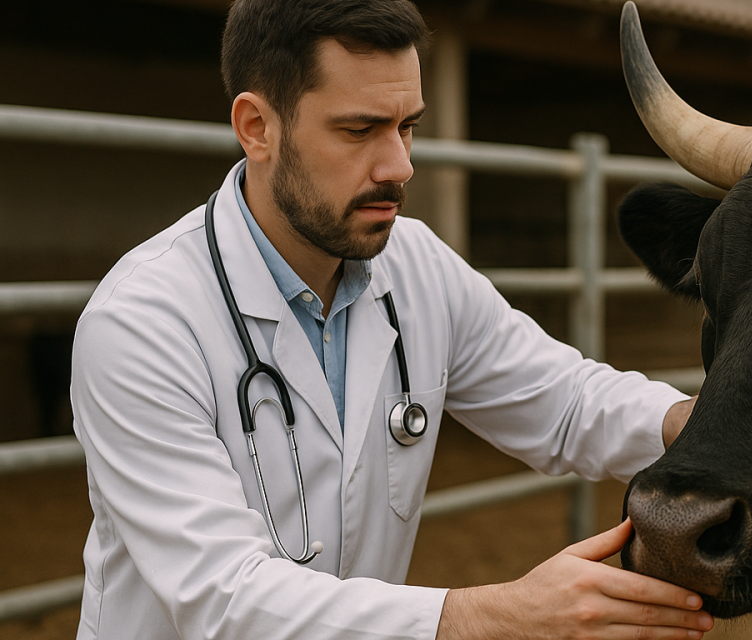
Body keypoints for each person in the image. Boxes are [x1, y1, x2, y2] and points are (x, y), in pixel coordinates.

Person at [69, 0, 708, 638]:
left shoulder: (418, 266)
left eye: (407, 127)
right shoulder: (142, 322)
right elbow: (223, 599)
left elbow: (567, 403)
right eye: (359, 130)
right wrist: (498, 617)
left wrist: (710, 422)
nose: (399, 166)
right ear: (257, 127)